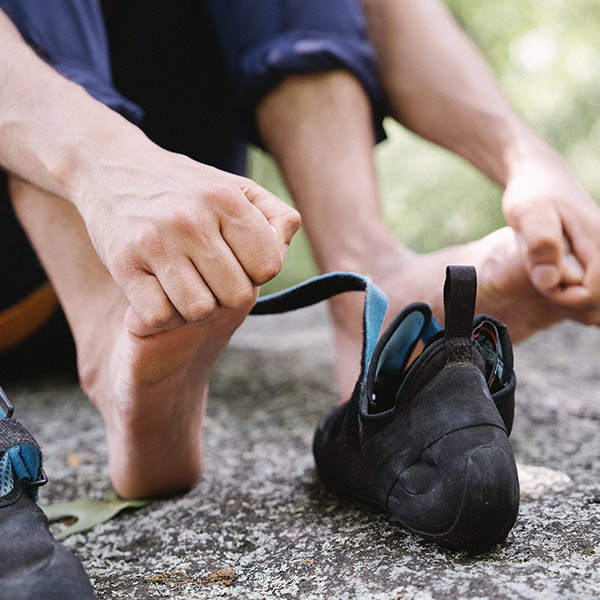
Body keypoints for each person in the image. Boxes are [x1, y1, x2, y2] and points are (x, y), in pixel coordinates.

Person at [1, 0, 598, 507]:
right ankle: (110, 327)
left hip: (174, 225)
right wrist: (103, 162)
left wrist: (526, 158)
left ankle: (369, 271)